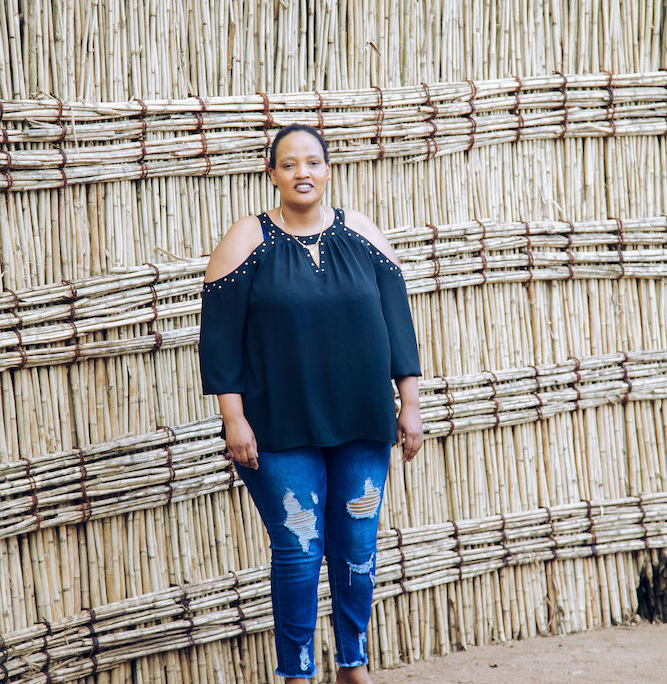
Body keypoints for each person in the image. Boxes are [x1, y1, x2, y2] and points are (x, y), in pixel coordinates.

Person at [199, 123, 423, 684]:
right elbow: (219, 340)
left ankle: (353, 664)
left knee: (356, 545)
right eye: (289, 164)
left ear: (328, 170)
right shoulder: (247, 240)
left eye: (313, 162)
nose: (303, 172)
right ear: (271, 174)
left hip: (362, 423)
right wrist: (234, 419)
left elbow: (398, 325)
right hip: (278, 427)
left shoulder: (363, 233)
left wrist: (410, 404)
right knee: (300, 548)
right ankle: (296, 673)